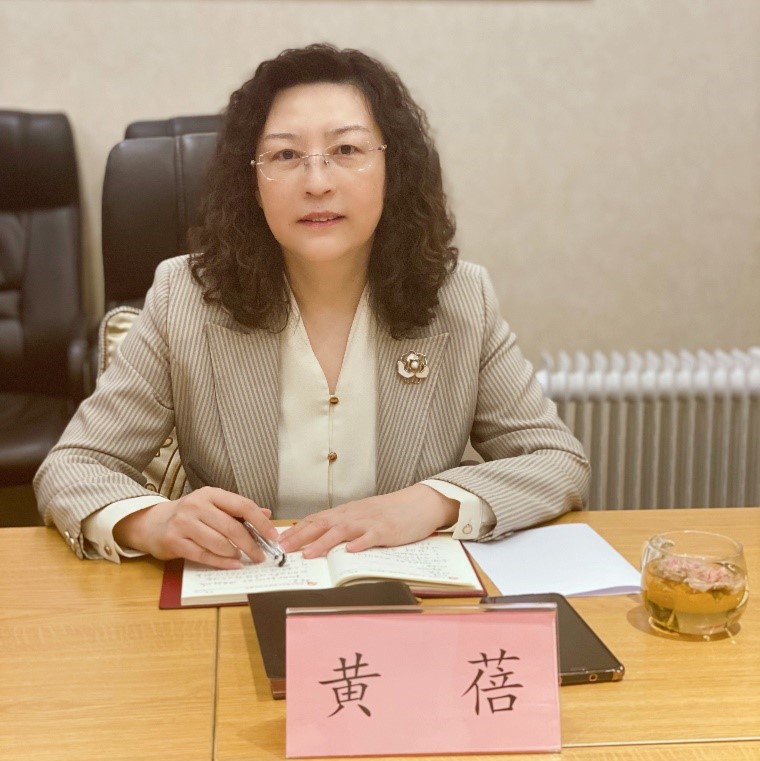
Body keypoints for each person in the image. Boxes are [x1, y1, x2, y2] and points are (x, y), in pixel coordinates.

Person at [34, 43, 590, 569]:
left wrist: (431, 502)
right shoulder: (184, 298)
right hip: (238, 591)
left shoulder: (461, 298)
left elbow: (557, 461)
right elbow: (74, 466)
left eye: (346, 150)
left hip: (407, 600)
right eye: (285, 155)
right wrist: (152, 521)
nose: (317, 182)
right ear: (252, 182)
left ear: (392, 169)